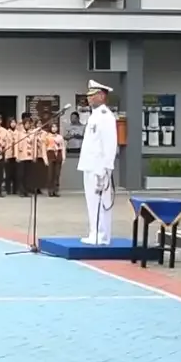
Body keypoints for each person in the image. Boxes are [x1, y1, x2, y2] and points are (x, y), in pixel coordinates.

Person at [79, 80, 119, 246]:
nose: (89, 98)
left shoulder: (105, 116)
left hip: (99, 167)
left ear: (102, 96)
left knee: (100, 202)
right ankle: (94, 233)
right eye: (88, 95)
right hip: (90, 165)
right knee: (92, 202)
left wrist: (106, 168)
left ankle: (101, 236)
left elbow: (110, 144)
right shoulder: (94, 115)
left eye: (92, 95)